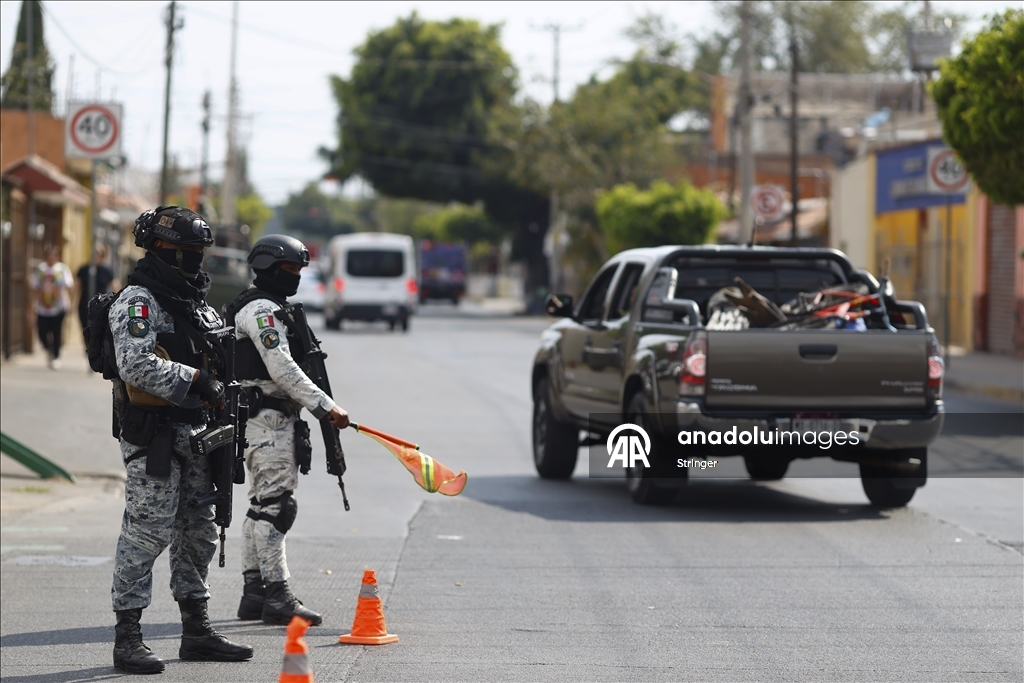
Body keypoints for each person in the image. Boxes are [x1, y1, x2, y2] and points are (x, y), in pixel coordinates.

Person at [108, 206, 253, 674]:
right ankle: (128, 636)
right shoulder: (138, 301)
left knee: (198, 532)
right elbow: (134, 363)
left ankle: (196, 631)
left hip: (199, 437)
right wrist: (195, 379)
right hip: (154, 437)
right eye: (187, 252)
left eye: (199, 252)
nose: (195, 260)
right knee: (147, 532)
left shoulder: (198, 304)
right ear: (162, 250)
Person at [225, 234, 349, 626]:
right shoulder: (262, 311)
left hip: (266, 419)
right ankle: (277, 595)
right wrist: (325, 407)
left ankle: (254, 594)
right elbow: (280, 366)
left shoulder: (264, 306)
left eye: (300, 270)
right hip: (268, 420)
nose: (296, 276)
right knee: (278, 508)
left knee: (261, 507)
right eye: (290, 269)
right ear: (268, 269)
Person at [28, 245, 74, 369]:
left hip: (58, 307)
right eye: (49, 255)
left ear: (57, 256)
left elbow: (70, 287)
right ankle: (49, 349)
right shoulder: (40, 269)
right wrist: (32, 306)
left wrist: (71, 304)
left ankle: (56, 356)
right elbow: (34, 287)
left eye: (54, 255)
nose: (51, 258)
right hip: (42, 307)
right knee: (42, 332)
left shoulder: (63, 269)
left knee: (56, 332)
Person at [76, 243, 119, 340]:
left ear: (102, 255)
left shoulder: (106, 270)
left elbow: (115, 286)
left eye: (97, 253)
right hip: (85, 304)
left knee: (99, 329)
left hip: (101, 306)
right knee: (86, 329)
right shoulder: (83, 269)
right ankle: (88, 348)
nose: (94, 256)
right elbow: (77, 286)